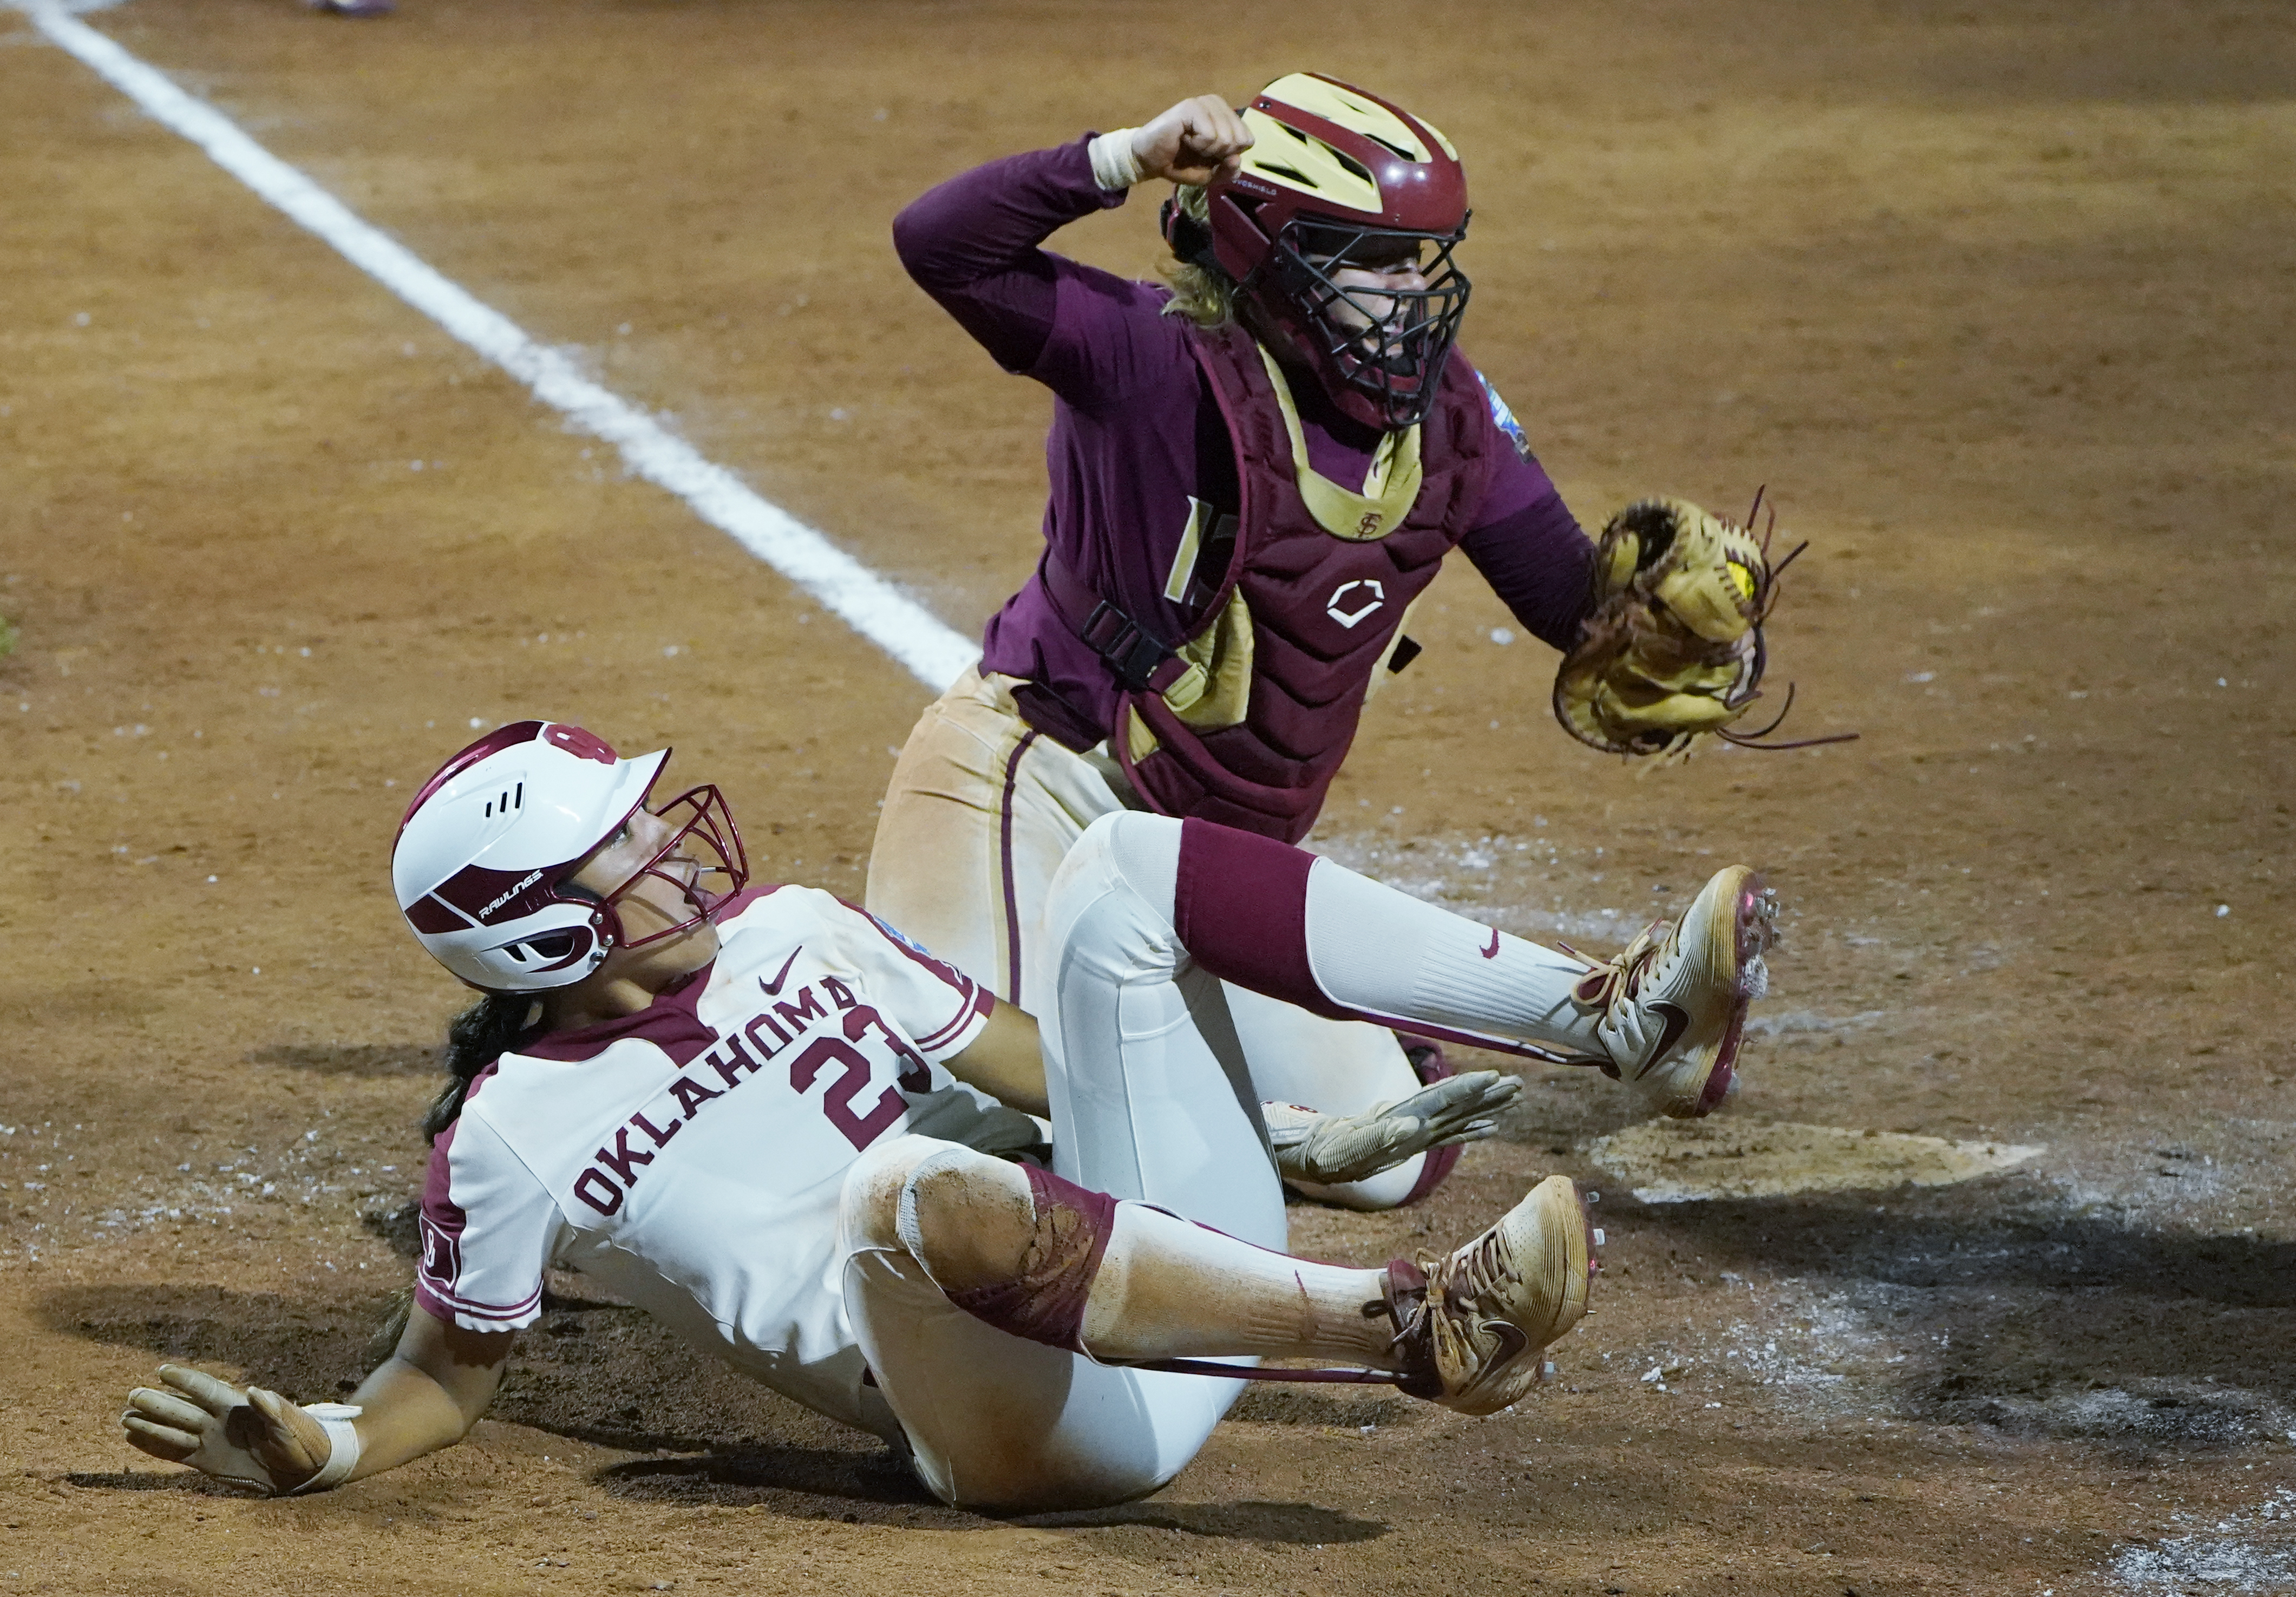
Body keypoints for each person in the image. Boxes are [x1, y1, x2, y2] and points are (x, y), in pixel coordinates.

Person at [120, 720, 1770, 1511]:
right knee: (900, 1187)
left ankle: (1612, 1018)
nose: (673, 839)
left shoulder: (802, 930)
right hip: (1044, 1434)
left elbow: (1053, 1070)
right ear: (541, 934)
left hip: (1167, 1276)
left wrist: (1264, 1135)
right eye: (621, 844)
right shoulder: (505, 1135)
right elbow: (441, 1374)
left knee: (1115, 869)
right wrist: (316, 1441)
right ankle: (1414, 1330)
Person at [869, 76, 1765, 1206]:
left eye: (1424, 263)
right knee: (968, 1117)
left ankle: (1226, 1081)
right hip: (1037, 788)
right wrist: (1124, 156)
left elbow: (1566, 605)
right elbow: (940, 245)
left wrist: (1668, 620)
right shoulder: (1149, 363)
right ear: (1274, 254)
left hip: (1206, 862)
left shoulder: (1445, 420)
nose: (1413, 296)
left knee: (1386, 1160)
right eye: (1377, 263)